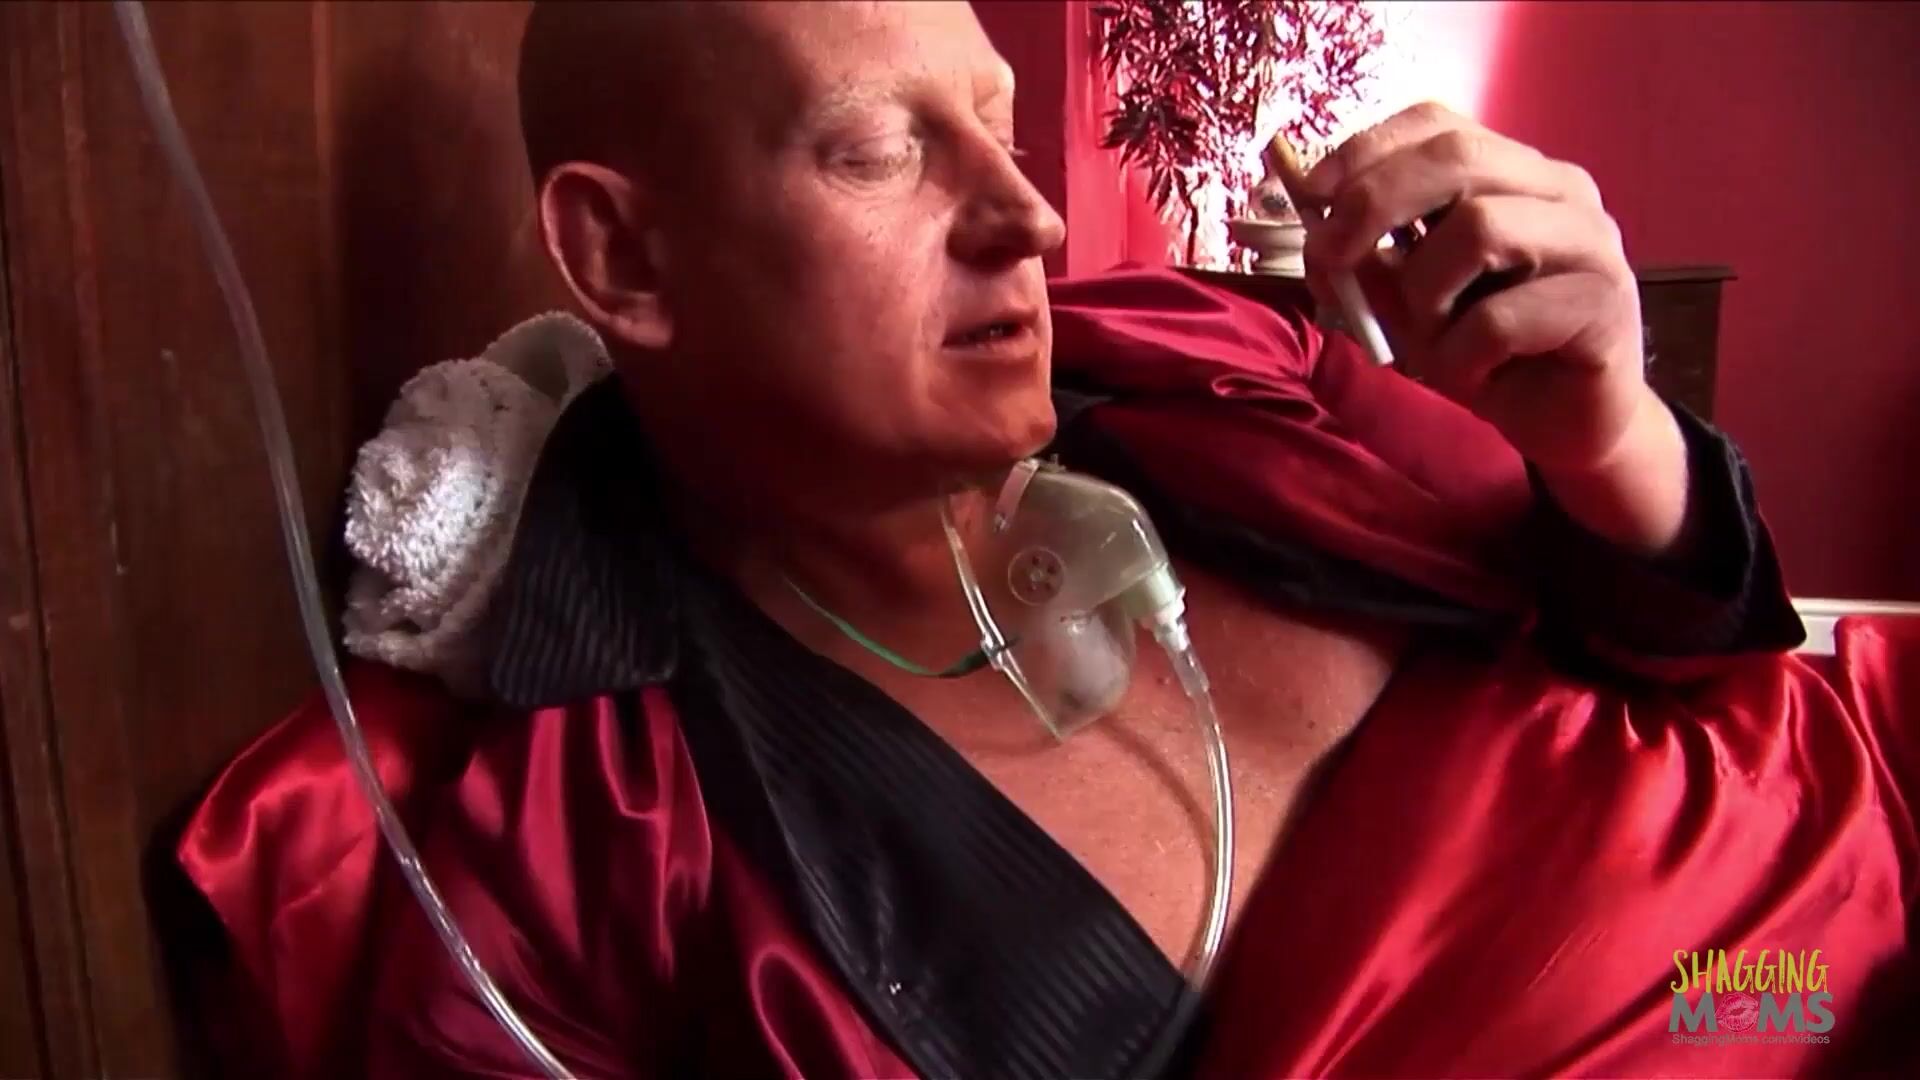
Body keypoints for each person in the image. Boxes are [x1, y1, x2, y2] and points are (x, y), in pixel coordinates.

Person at [171, 2, 1918, 1077]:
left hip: (1849, 869)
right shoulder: (584, 858)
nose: (1031, 217)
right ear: (624, 259)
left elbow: (1678, 627)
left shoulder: (1201, 353)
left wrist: (1610, 434)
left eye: (1000, 127)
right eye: (880, 151)